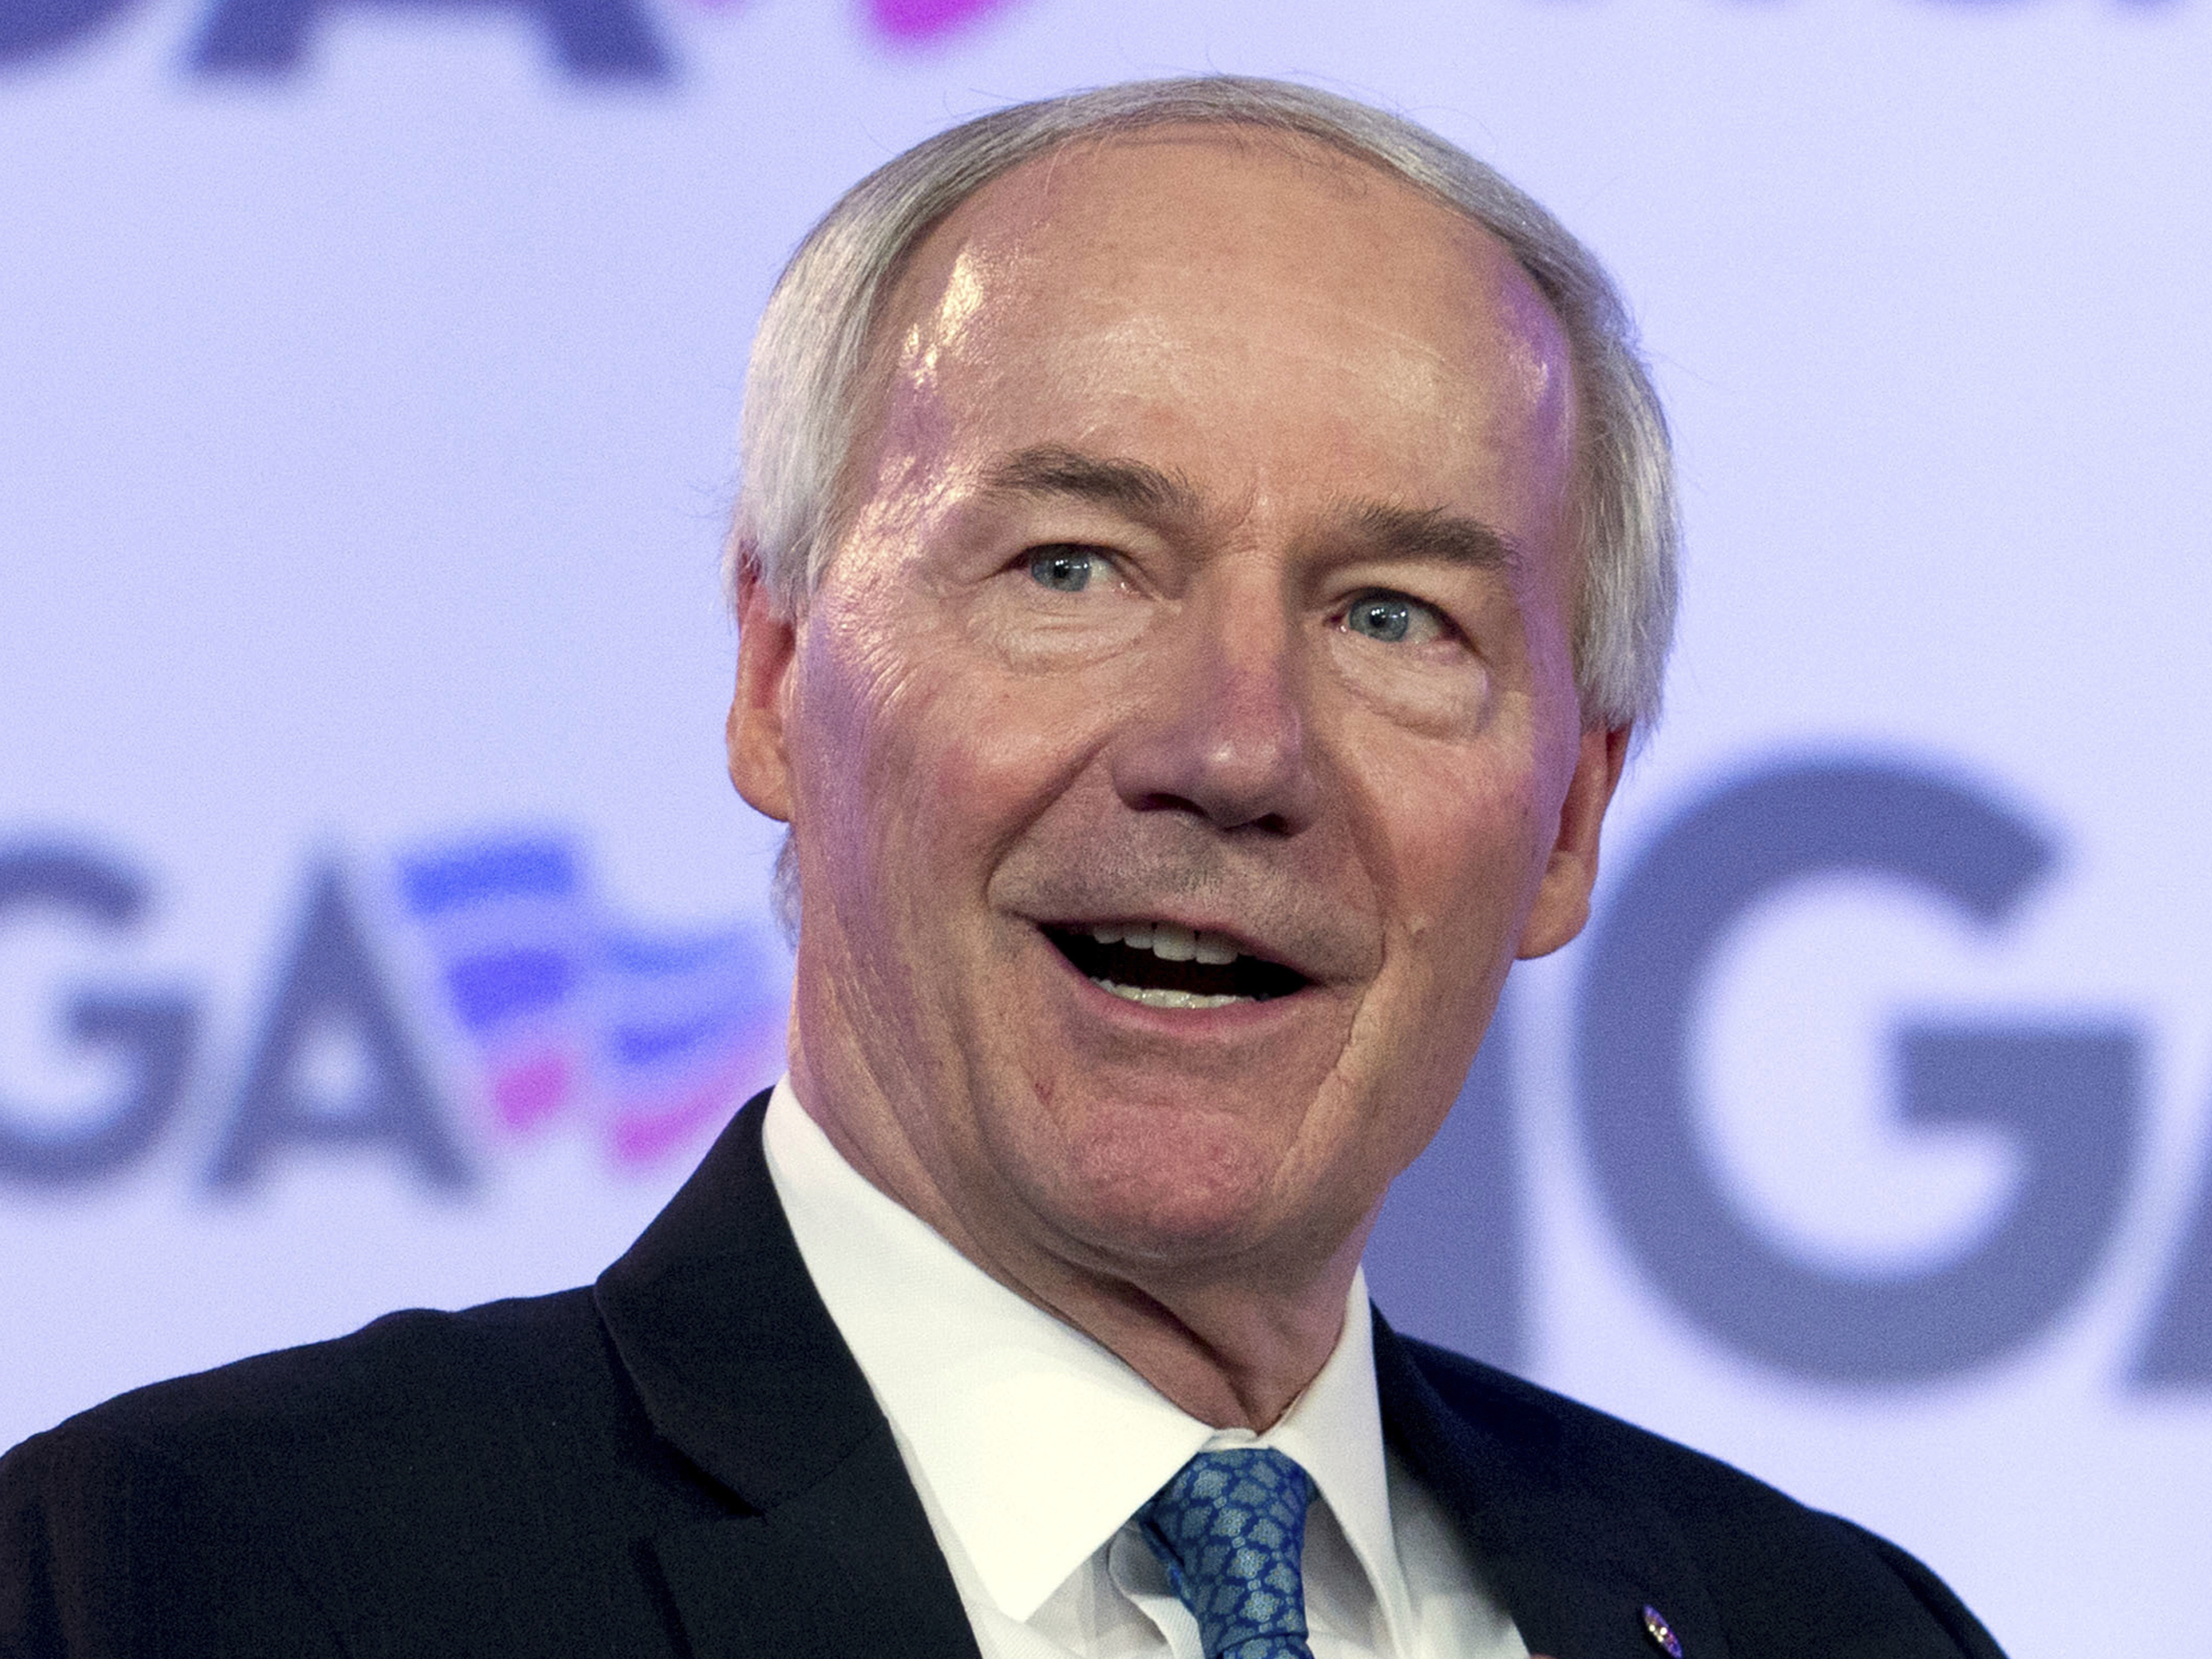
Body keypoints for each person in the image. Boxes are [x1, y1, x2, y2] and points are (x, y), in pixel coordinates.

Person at [0, 76, 2005, 1659]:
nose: (1235, 750)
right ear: (778, 673)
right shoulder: (189, 1577)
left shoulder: (1825, 1627)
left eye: (1396, 617)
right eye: (1074, 567)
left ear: (1570, 816)